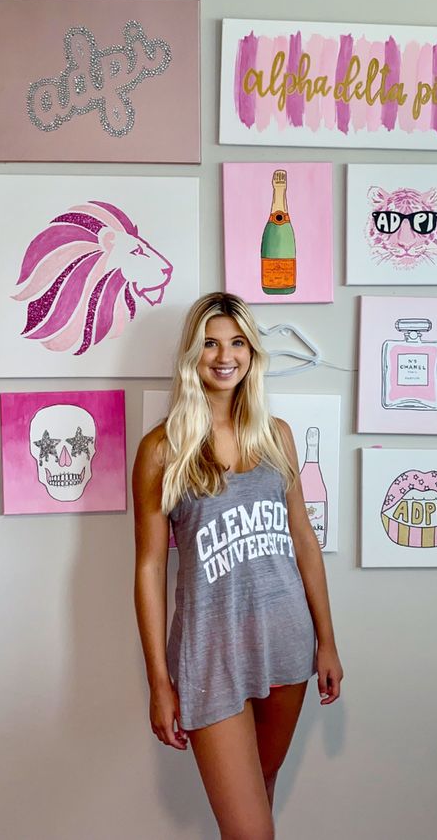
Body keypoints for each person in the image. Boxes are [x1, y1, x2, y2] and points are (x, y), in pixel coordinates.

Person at [133, 292, 343, 839]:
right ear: (191, 354)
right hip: (210, 654)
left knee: (261, 794)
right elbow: (150, 569)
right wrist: (159, 680)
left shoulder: (277, 437)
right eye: (209, 343)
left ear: (252, 351)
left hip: (286, 643)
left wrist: (327, 640)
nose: (224, 356)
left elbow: (304, 543)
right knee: (254, 830)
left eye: (237, 342)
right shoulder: (162, 450)